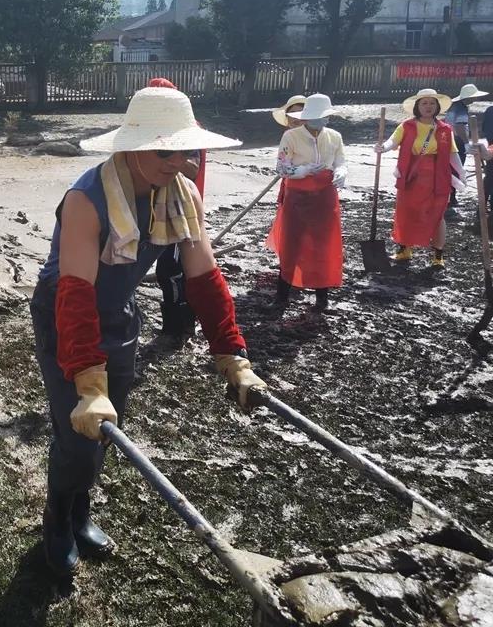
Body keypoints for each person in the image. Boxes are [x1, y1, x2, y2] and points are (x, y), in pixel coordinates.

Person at [30, 85, 267, 577]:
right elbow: (75, 293)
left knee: (107, 428)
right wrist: (87, 381)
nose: (178, 162)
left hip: (117, 312)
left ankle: (79, 511)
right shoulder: (86, 200)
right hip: (65, 315)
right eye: (165, 152)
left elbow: (204, 279)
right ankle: (56, 520)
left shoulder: (183, 195)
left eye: (186, 151)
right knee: (77, 434)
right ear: (133, 146)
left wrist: (232, 355)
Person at [265, 94, 345, 312]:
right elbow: (282, 168)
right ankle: (282, 296)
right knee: (292, 243)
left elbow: (340, 161)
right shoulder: (291, 136)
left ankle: (322, 297)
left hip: (325, 196)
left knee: (323, 244)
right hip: (298, 195)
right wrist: (303, 170)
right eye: (318, 117)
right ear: (307, 117)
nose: (323, 121)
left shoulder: (334, 136)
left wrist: (341, 172)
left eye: (325, 117)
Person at [374, 88, 466, 267]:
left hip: (437, 178)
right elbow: (393, 141)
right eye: (424, 103)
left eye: (432, 103)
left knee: (437, 215)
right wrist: (382, 147)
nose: (428, 106)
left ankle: (438, 255)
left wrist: (461, 173)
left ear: (437, 107)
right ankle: (404, 249)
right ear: (417, 106)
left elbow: (452, 153)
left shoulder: (445, 129)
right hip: (411, 177)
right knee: (406, 212)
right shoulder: (407, 126)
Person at [147, 78, 203, 344]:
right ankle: (175, 325)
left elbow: (192, 169)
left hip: (181, 210)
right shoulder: (150, 127)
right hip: (155, 208)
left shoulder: (190, 131)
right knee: (167, 268)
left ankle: (179, 326)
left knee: (172, 269)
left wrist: (169, 154)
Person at [445, 84, 489, 206]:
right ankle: (451, 197)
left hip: (449, 139)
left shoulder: (454, 106)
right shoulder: (461, 109)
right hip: (457, 141)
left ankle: (450, 196)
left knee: (450, 168)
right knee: (456, 169)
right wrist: (465, 143)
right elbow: (459, 127)